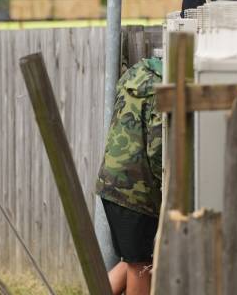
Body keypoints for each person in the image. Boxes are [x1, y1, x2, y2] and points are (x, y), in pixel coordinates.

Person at [96, 56, 164, 295]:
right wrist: (167, 185)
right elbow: (158, 149)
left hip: (110, 183)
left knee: (132, 260)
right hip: (137, 191)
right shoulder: (162, 87)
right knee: (141, 265)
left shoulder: (134, 74)